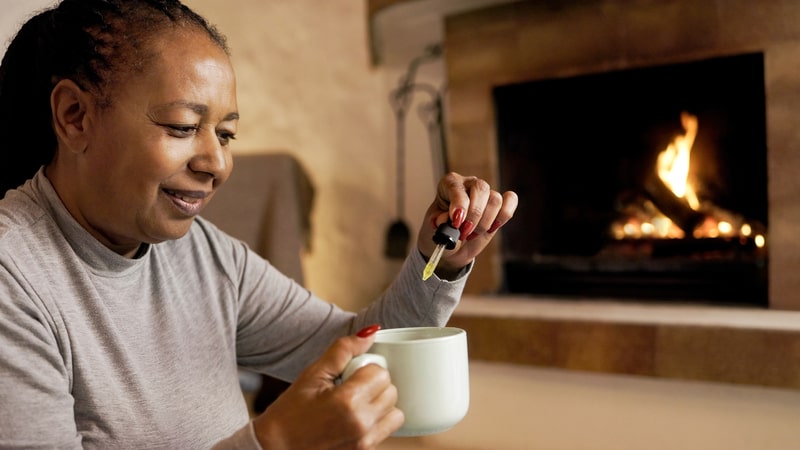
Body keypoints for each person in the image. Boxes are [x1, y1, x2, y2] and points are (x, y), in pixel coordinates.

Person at [0, 1, 518, 449]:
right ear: (74, 116)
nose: (217, 164)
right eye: (182, 127)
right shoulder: (13, 279)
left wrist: (442, 261)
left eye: (224, 135)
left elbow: (357, 343)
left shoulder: (202, 253)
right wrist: (276, 442)